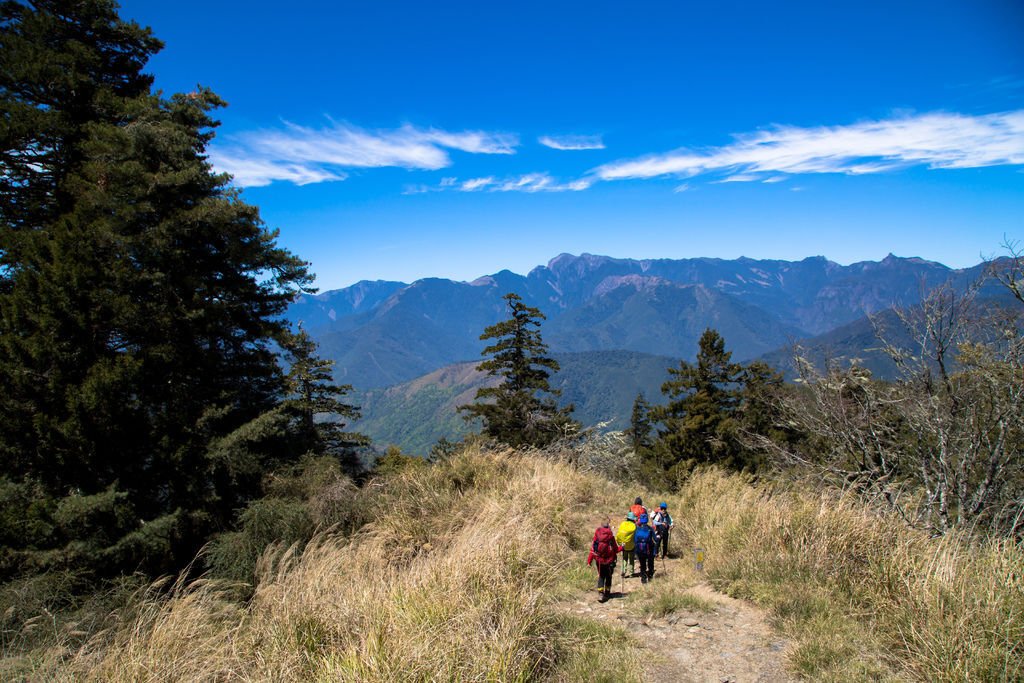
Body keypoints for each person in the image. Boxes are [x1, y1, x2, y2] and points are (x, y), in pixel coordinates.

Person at [587, 516, 621, 602]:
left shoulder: (597, 535)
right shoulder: (610, 536)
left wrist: (589, 561)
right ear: (608, 526)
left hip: (599, 560)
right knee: (608, 576)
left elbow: (593, 549)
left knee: (601, 576)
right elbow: (616, 549)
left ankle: (600, 593)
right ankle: (607, 592)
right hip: (609, 560)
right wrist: (622, 548)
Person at [633, 513, 657, 583]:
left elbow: (635, 540)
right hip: (649, 549)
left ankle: (643, 579)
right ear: (647, 520)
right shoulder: (650, 529)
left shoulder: (637, 529)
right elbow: (655, 539)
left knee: (642, 564)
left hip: (640, 550)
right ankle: (650, 576)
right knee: (650, 563)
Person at [615, 511, 637, 577]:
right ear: (633, 519)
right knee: (631, 559)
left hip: (623, 545)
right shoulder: (634, 526)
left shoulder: (623, 524)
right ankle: (631, 573)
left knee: (624, 558)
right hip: (631, 545)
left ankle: (623, 571)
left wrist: (620, 544)